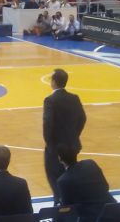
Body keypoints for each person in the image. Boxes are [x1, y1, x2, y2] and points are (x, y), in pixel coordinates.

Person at [43, 68, 87, 205]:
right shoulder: (74, 98)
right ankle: (71, 204)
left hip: (56, 147)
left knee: (55, 177)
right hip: (72, 146)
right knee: (71, 175)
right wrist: (74, 136)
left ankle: (60, 204)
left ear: (54, 82)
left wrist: (50, 144)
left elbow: (47, 124)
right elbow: (82, 118)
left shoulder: (50, 100)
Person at [57, 144, 115, 222]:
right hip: (113, 210)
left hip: (93, 218)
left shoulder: (63, 180)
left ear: (60, 158)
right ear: (76, 153)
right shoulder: (90, 163)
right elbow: (106, 186)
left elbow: (67, 208)